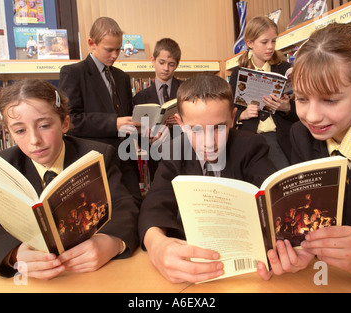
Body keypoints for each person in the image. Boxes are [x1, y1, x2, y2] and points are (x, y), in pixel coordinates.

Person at [0, 79, 140, 280]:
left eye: (44, 125)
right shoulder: (3, 167)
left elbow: (126, 206)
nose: (34, 140)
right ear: (9, 133)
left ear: (64, 123)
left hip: (89, 275)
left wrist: (112, 242)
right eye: (20, 131)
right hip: (35, 281)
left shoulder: (99, 156)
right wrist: (14, 254)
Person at [257, 23, 351, 281]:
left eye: (330, 100)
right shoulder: (300, 134)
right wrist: (302, 249)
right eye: (301, 99)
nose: (311, 116)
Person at [138, 74, 276, 283]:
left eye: (219, 128)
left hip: (245, 267)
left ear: (232, 118)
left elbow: (272, 201)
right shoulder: (174, 151)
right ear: (181, 124)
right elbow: (154, 204)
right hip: (195, 261)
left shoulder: (251, 147)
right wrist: (157, 246)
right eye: (195, 130)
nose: (209, 142)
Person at [58, 16, 141, 204]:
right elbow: (71, 120)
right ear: (91, 43)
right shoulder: (73, 73)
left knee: (134, 206)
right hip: (94, 162)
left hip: (125, 159)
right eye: (109, 49)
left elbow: (127, 115)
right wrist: (114, 123)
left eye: (118, 49)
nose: (114, 55)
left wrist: (141, 129)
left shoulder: (121, 77)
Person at [228, 16, 299, 169]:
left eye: (273, 41)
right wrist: (242, 115)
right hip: (250, 138)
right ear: (249, 43)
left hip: (280, 139)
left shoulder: (285, 69)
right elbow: (228, 111)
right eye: (264, 42)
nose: (270, 47)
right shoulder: (238, 74)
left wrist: (286, 107)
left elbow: (301, 109)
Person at [133, 38, 183, 178]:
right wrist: (148, 140)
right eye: (161, 63)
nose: (166, 68)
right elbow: (138, 135)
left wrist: (183, 120)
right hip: (156, 157)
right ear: (153, 60)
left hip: (184, 154)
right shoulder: (141, 97)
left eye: (171, 64)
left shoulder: (186, 90)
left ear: (177, 65)